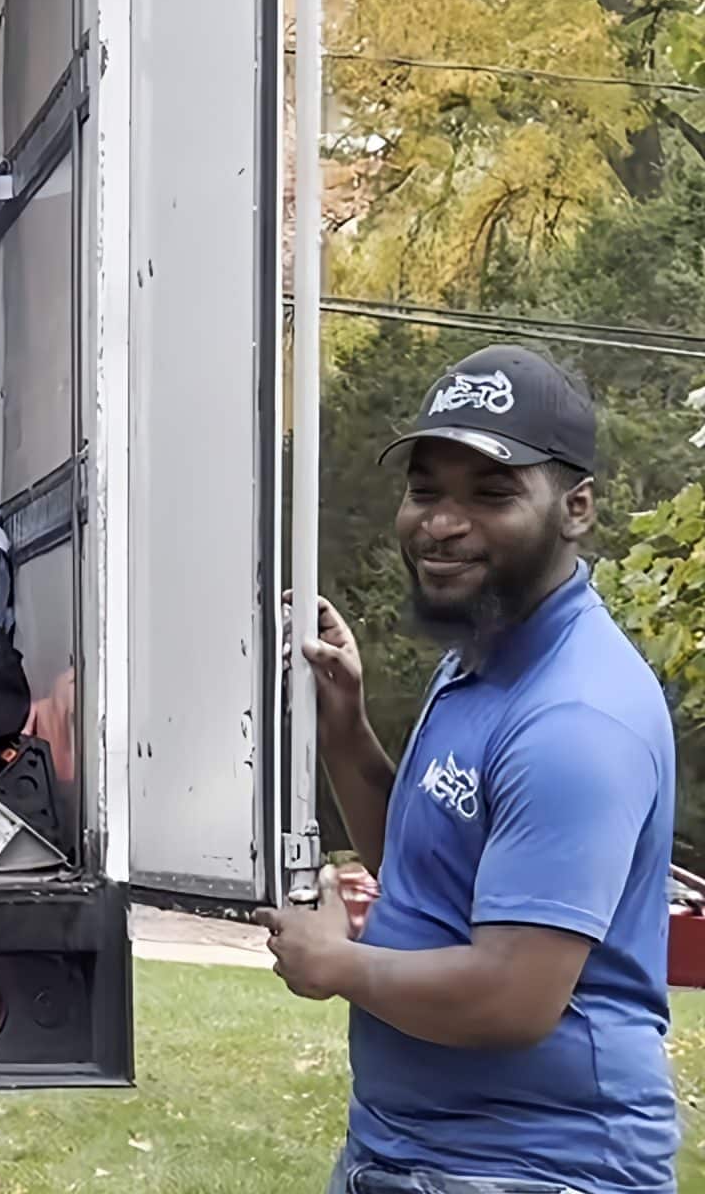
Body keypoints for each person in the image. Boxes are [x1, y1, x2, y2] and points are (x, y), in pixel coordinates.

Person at [259, 344, 677, 1194]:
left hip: (535, 1170)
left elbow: (513, 996)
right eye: (426, 491)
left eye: (491, 495)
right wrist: (346, 733)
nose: (443, 524)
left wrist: (335, 964)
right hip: (409, 1153)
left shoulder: (576, 717)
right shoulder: (484, 656)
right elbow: (431, 875)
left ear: (576, 508)